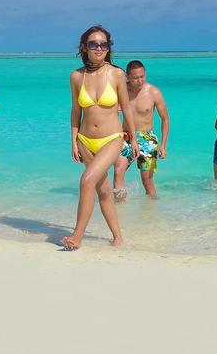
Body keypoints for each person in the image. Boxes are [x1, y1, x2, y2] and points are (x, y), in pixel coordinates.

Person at [61, 25, 138, 250]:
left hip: (112, 138)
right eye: (93, 44)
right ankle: (118, 237)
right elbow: (76, 111)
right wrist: (73, 140)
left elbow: (127, 107)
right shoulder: (76, 76)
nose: (99, 48)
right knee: (103, 191)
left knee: (87, 180)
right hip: (85, 140)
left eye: (103, 44)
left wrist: (132, 138)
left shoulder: (116, 73)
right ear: (84, 47)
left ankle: (77, 235)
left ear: (108, 48)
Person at [112, 59, 170, 199]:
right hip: (126, 137)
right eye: (135, 78)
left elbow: (165, 119)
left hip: (147, 139)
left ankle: (151, 211)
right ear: (127, 77)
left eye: (142, 76)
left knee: (147, 180)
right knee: (118, 170)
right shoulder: (121, 90)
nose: (140, 81)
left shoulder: (154, 93)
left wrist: (163, 145)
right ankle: (119, 208)